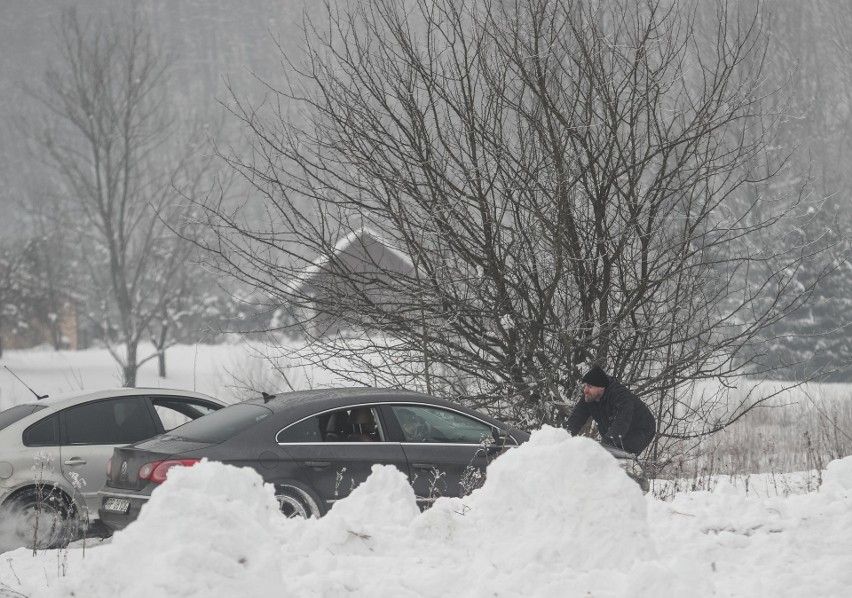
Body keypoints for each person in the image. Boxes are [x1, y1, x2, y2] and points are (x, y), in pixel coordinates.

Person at [565, 365, 656, 455]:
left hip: (640, 429)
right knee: (606, 452)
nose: (585, 390)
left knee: (619, 455)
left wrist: (606, 444)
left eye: (589, 386)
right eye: (585, 386)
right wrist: (564, 436)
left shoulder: (621, 396)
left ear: (601, 387)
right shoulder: (590, 397)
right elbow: (576, 417)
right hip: (616, 428)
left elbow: (622, 421)